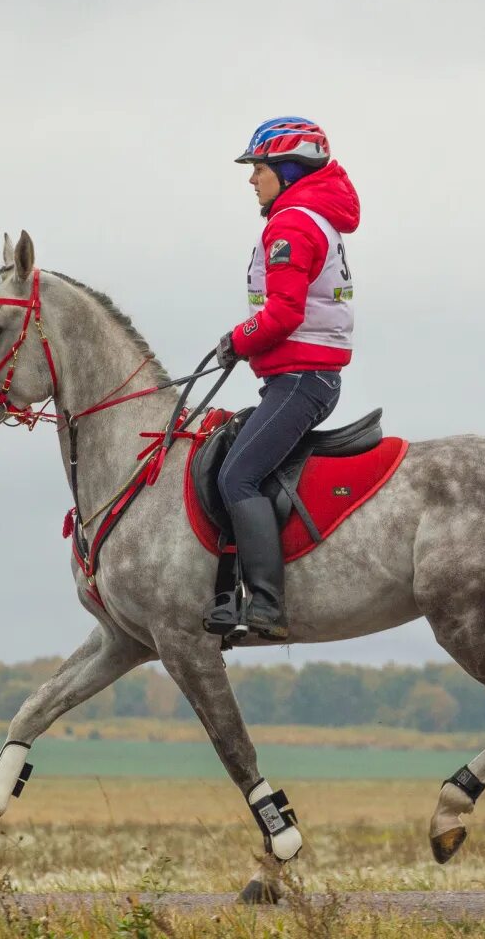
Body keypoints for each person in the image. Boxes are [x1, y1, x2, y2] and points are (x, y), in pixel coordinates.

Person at [205, 117, 360, 641]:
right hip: (295, 378)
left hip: (301, 380)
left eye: (258, 168)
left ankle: (267, 605)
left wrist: (237, 338)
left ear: (287, 171)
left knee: (236, 478)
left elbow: (285, 312)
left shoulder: (292, 223)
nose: (252, 179)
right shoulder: (306, 217)